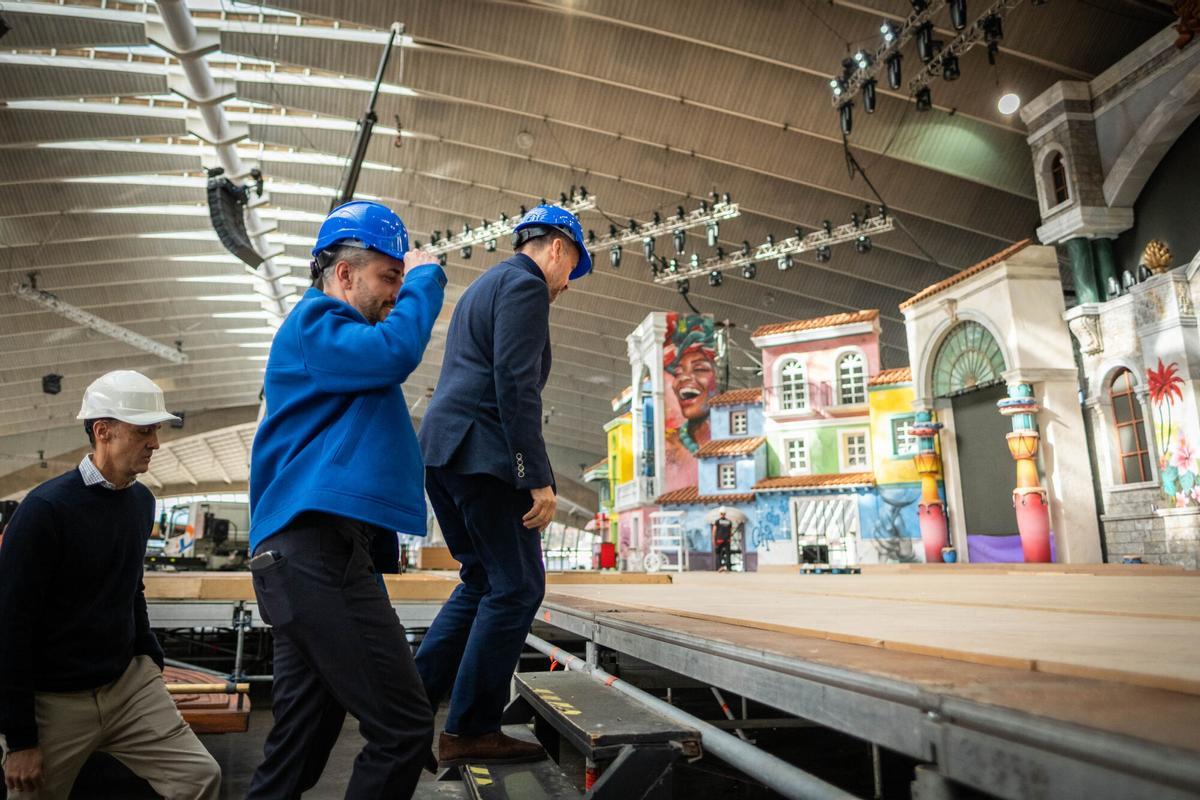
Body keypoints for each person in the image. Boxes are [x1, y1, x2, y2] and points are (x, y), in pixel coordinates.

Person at [246, 200, 446, 799]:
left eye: (402, 280)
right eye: (389, 278)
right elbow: (395, 352)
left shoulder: (336, 349)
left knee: (299, 748)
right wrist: (427, 279)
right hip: (315, 554)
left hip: (305, 560)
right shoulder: (315, 323)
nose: (396, 293)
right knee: (404, 727)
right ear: (343, 274)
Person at [416, 204, 592, 766]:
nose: (567, 284)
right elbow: (515, 385)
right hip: (483, 455)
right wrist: (536, 476)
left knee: (481, 581)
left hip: (444, 453)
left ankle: (407, 710)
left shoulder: (484, 285)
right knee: (517, 588)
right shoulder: (526, 286)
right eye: (573, 268)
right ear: (558, 248)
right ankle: (470, 729)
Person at [0, 371, 221, 799]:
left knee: (199, 777)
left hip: (128, 688)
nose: (155, 443)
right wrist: (21, 738)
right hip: (55, 701)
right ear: (103, 431)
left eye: (156, 431)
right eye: (143, 431)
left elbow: (130, 585)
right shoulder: (45, 510)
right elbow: (10, 625)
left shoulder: (141, 502)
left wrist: (148, 655)